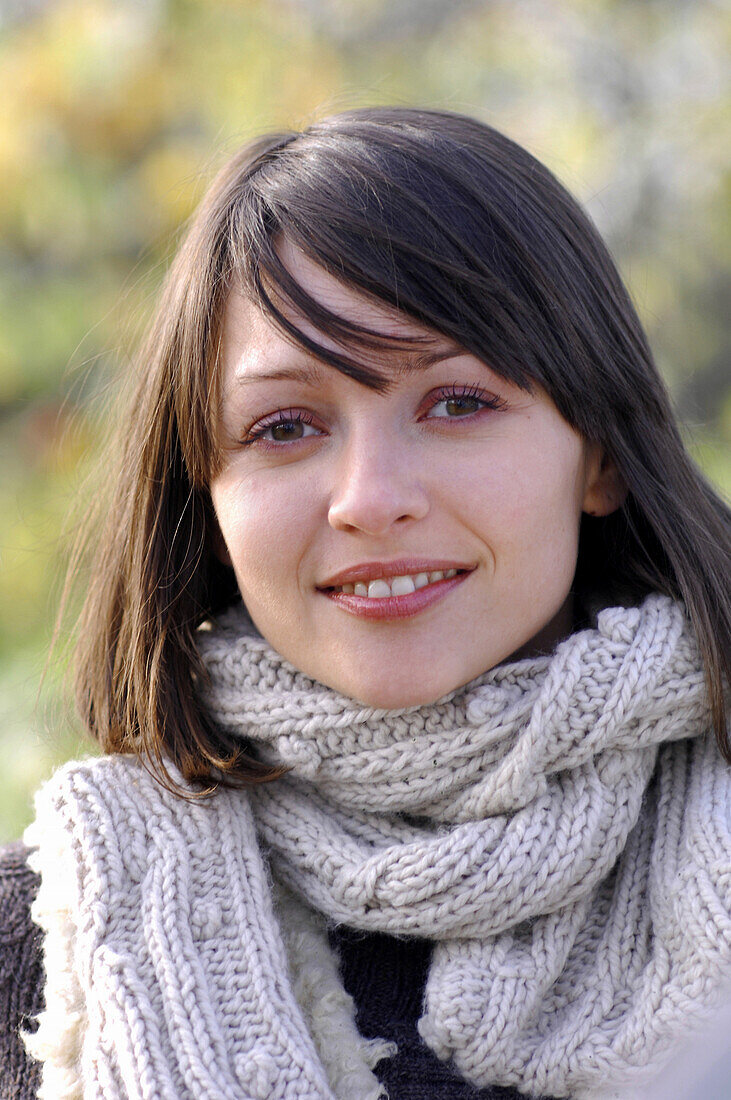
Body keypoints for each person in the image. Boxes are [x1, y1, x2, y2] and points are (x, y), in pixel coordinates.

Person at [0, 107, 729, 1100]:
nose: (369, 496)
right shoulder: (44, 938)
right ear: (203, 496)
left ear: (597, 451)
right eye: (286, 424)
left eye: (456, 402)